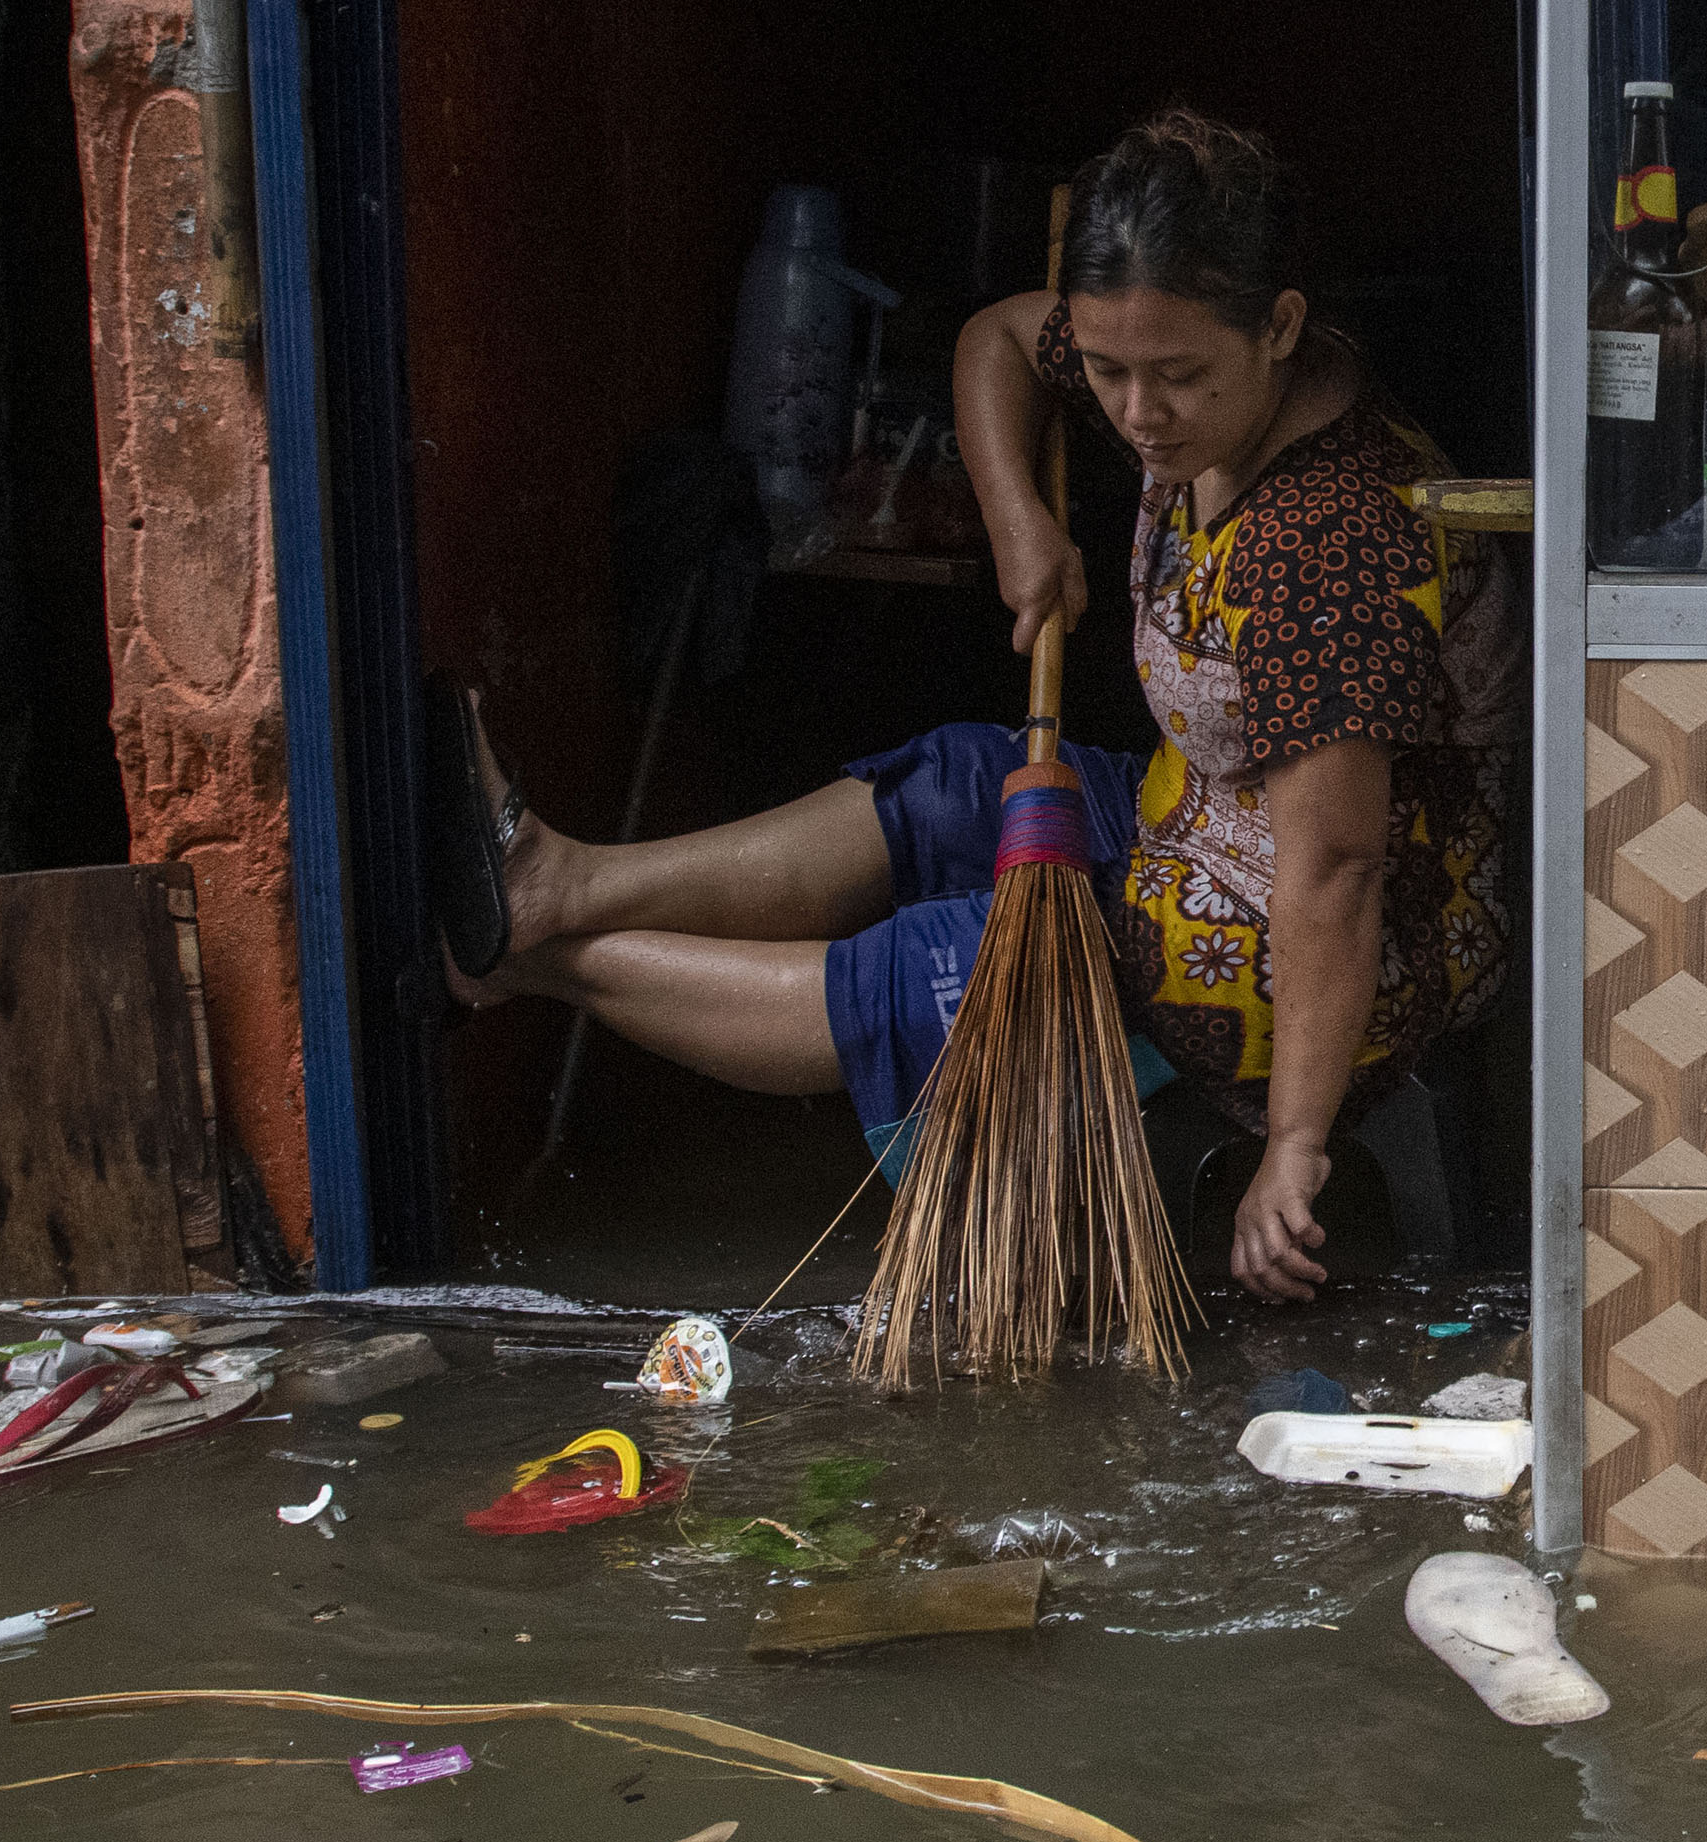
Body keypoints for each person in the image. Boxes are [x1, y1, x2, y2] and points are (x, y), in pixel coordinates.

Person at [435, 112, 1524, 1300]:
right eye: (1107, 371)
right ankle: (561, 886)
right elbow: (999, 339)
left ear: (1280, 327)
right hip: (1203, 823)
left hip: (1346, 953)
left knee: (944, 971)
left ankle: (519, 964)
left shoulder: (1329, 551)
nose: (1136, 415)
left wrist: (1295, 1145)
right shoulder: (1181, 367)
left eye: (1177, 378)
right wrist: (1019, 521)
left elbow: (1338, 876)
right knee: (965, 777)